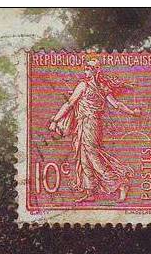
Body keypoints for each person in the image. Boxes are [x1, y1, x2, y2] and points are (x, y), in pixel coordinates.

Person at [47, 58, 141, 202]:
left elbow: (115, 104)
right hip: (85, 124)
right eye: (86, 68)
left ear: (96, 70)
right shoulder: (90, 86)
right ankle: (90, 191)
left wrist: (132, 112)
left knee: (92, 155)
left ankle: (120, 184)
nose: (86, 70)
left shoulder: (88, 86)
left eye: (89, 68)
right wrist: (56, 119)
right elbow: (70, 103)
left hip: (91, 124)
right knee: (83, 156)